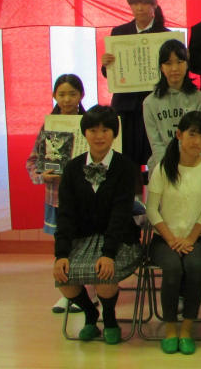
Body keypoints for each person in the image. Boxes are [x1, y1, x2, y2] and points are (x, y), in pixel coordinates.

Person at [53, 105, 142, 345]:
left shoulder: (125, 167)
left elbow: (121, 214)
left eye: (105, 130)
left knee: (104, 275)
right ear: (84, 133)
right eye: (93, 130)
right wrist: (61, 254)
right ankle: (91, 314)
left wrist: (108, 254)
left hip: (118, 237)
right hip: (82, 238)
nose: (99, 136)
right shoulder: (72, 168)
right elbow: (65, 214)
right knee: (63, 278)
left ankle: (110, 319)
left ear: (114, 134)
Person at [145, 111, 201, 355]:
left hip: (195, 239)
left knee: (195, 267)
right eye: (192, 135)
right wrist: (171, 239)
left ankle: (187, 329)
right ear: (179, 135)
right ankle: (170, 329)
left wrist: (189, 239)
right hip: (163, 240)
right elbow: (151, 209)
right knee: (173, 268)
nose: (197, 141)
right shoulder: (163, 167)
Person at [26, 74, 87, 313]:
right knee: (63, 247)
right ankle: (68, 294)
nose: (67, 99)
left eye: (72, 93)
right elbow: (32, 161)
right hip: (57, 199)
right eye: (61, 94)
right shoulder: (48, 126)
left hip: (85, 200)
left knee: (85, 245)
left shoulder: (90, 123)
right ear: (54, 96)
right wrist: (43, 176)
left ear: (81, 95)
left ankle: (90, 293)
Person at [101, 0, 169, 170]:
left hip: (156, 103)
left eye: (145, 3)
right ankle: (130, 189)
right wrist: (106, 64)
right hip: (126, 105)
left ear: (154, 5)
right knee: (126, 157)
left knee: (156, 156)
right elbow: (109, 74)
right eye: (135, 3)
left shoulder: (165, 35)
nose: (139, 8)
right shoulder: (119, 32)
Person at [142, 39, 201, 172]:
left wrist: (189, 168)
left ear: (187, 64)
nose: (174, 68)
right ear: (161, 67)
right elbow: (156, 144)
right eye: (168, 63)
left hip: (193, 167)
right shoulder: (150, 102)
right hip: (162, 167)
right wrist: (168, 169)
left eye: (179, 62)